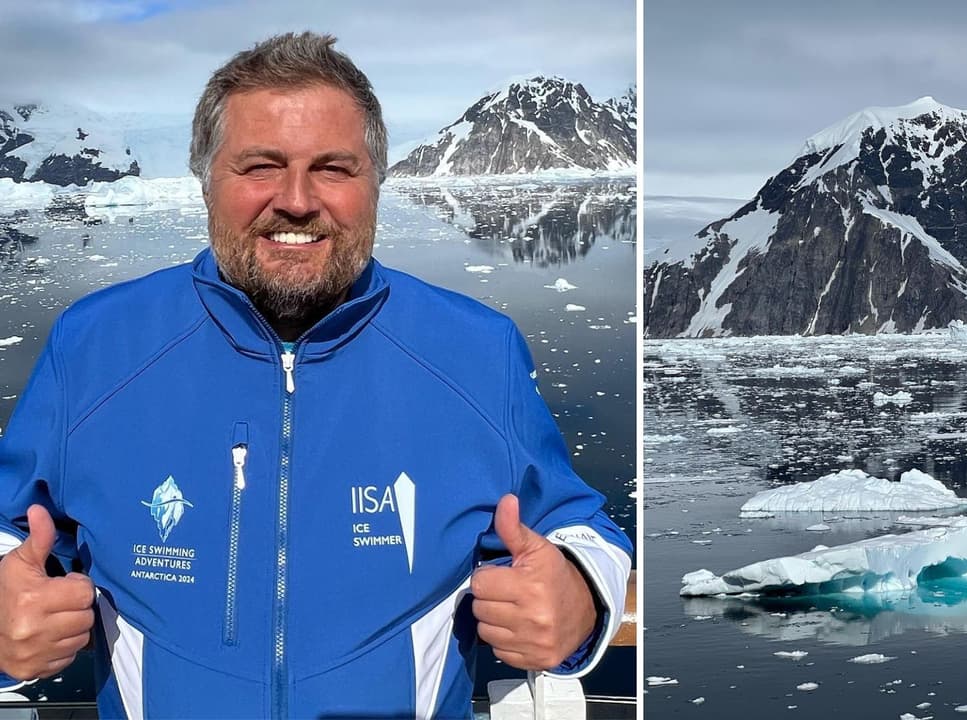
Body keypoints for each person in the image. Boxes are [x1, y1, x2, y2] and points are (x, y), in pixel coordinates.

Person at [0, 32, 631, 718]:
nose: (297, 200)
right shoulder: (97, 346)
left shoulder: (476, 353)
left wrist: (579, 597)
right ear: (206, 177)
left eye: (333, 167)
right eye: (261, 166)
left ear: (375, 182)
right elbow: (13, 527)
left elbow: (575, 523)